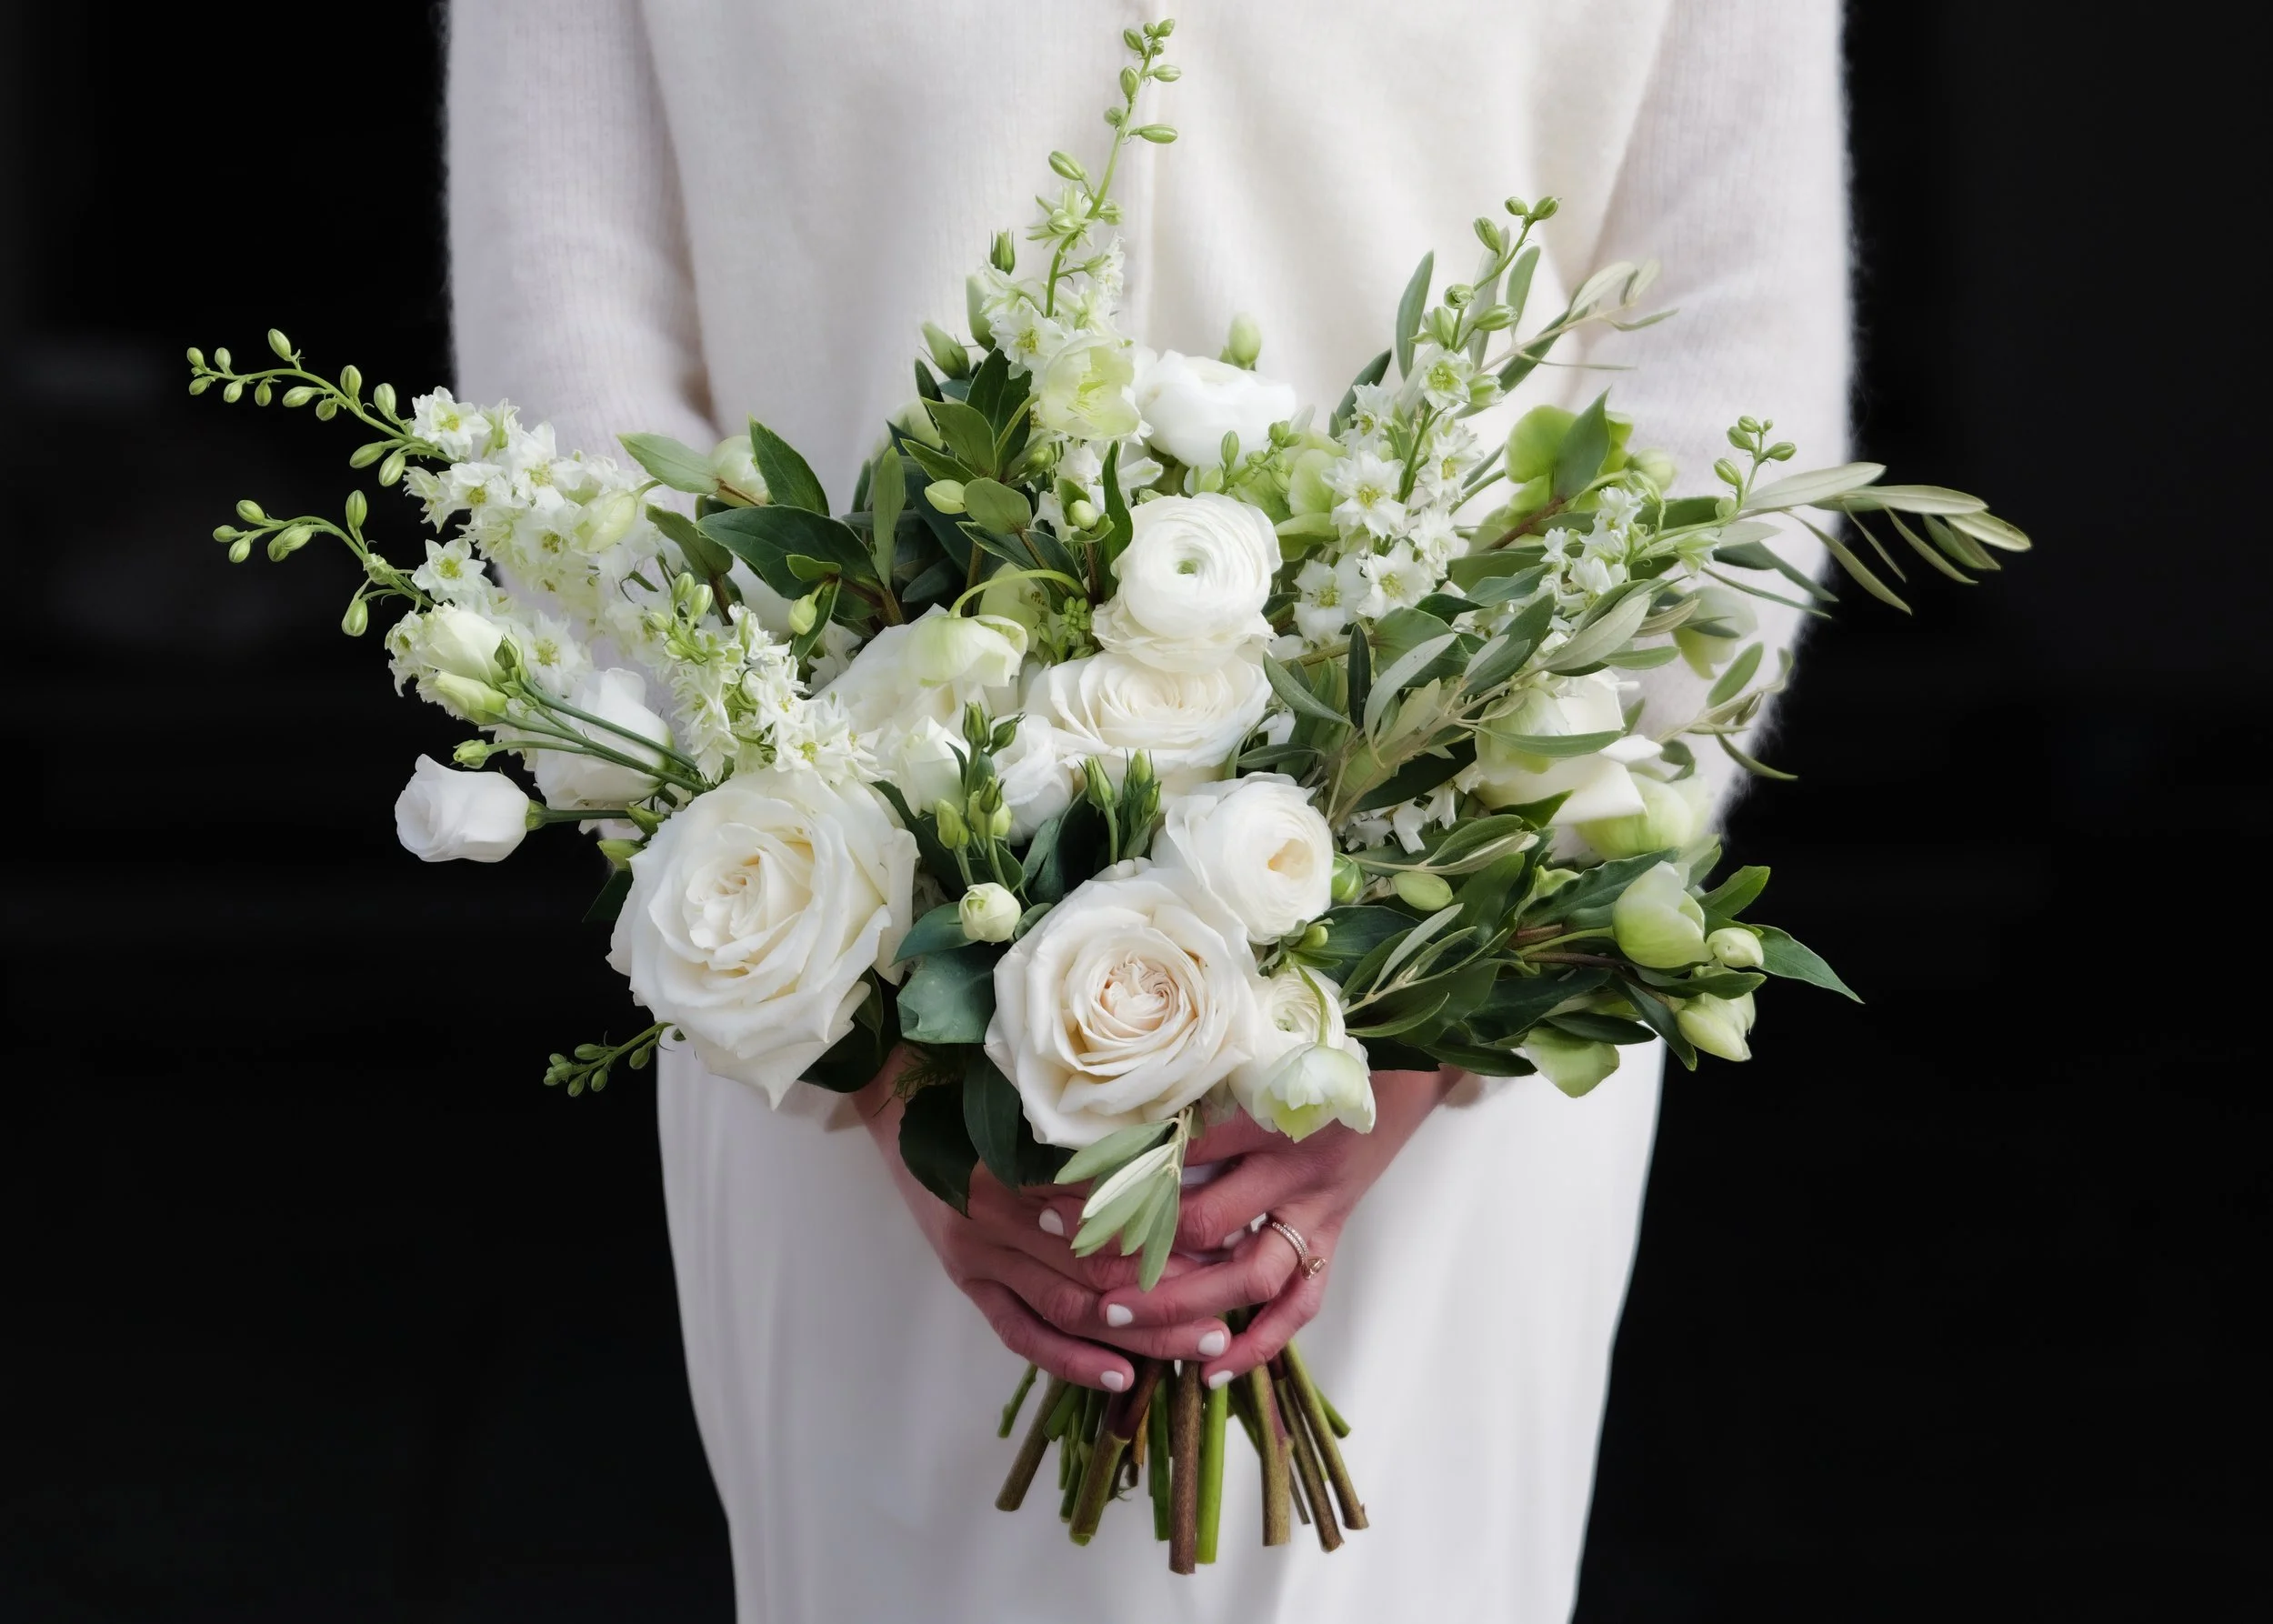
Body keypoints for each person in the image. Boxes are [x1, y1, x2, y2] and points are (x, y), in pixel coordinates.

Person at [447, 3, 1847, 1617]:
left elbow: (1725, 347)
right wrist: (883, 1033)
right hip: (836, 1012)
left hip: (1449, 1033)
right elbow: (575, 364)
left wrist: (1420, 1012)